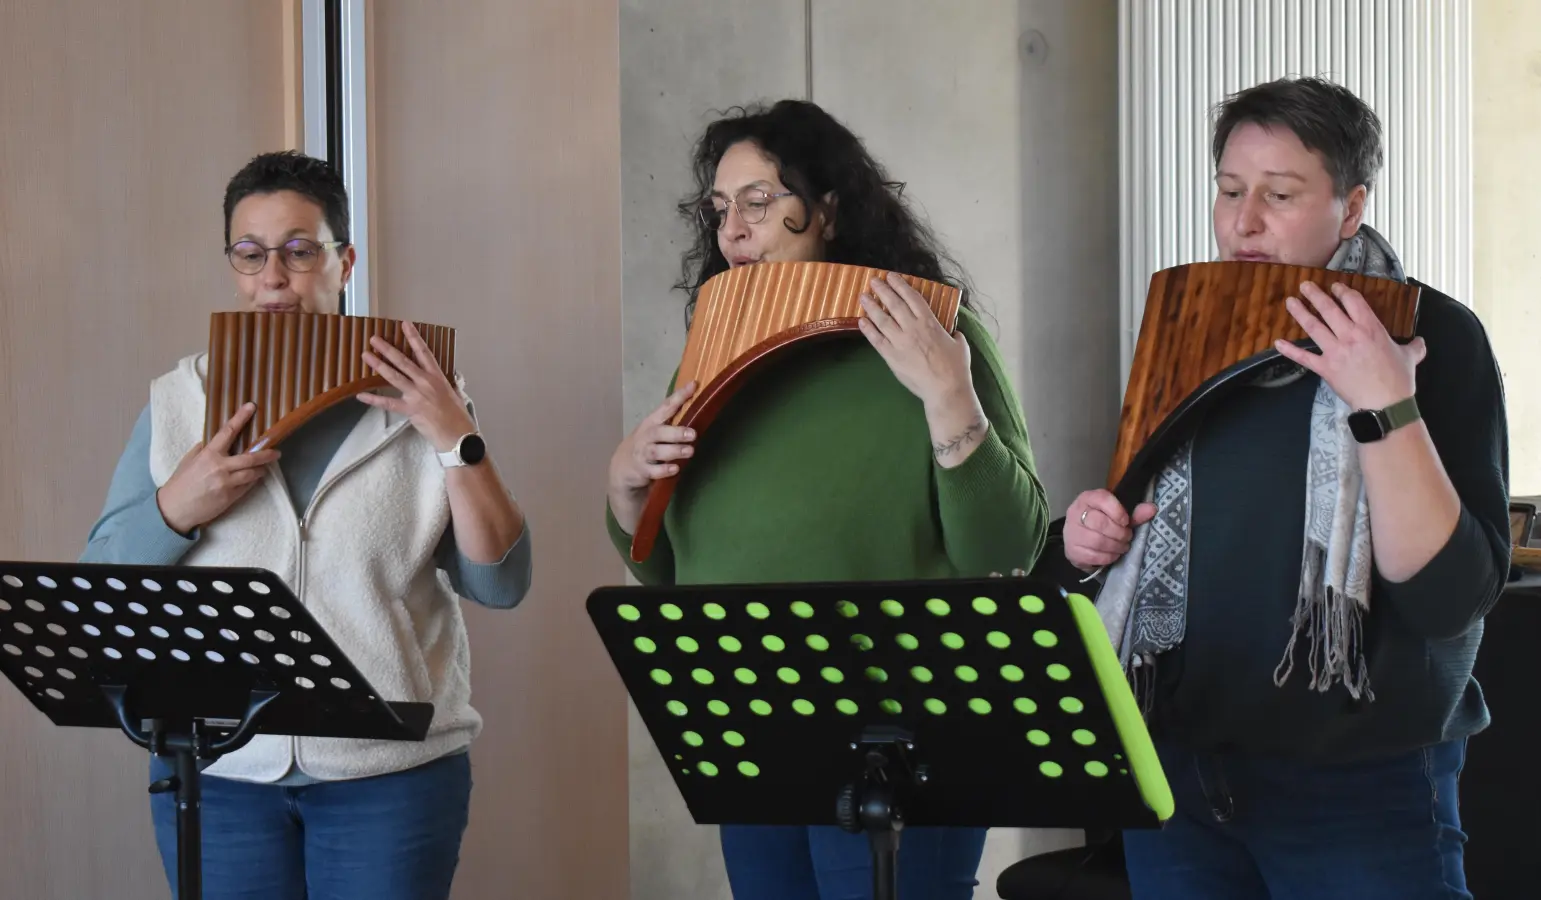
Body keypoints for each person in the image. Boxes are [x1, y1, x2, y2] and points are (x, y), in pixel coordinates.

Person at [1057, 77, 1509, 899]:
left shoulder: (1434, 336)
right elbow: (1136, 530)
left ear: (1351, 205)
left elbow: (1451, 597)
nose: (1243, 221)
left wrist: (1386, 403)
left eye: (1281, 194)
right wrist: (1089, 535)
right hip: (1180, 776)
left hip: (1360, 786)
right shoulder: (1183, 326)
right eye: (1230, 190)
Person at [605, 99, 1049, 900]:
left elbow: (1007, 550)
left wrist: (951, 396)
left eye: (758, 202)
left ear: (830, 210)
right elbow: (668, 573)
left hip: (910, 730)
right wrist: (626, 485)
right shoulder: (712, 354)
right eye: (719, 209)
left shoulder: (939, 339)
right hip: (757, 719)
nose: (731, 232)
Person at [81, 149, 532, 900]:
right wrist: (177, 508)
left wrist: (456, 439)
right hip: (220, 769)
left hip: (387, 776)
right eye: (250, 254)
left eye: (299, 252)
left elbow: (502, 581)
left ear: (344, 260)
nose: (273, 279)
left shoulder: (426, 399)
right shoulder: (176, 402)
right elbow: (100, 584)